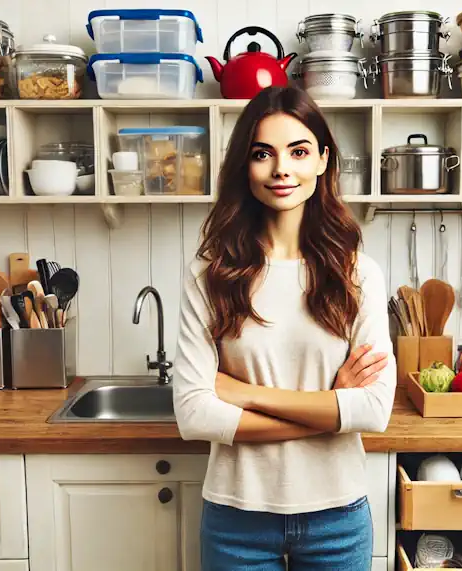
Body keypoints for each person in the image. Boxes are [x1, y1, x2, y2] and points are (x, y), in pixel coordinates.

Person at [172, 85, 397, 571]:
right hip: (237, 519)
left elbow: (374, 410)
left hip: (337, 517)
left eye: (298, 151)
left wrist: (244, 393)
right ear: (243, 166)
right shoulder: (209, 275)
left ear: (322, 160)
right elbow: (194, 415)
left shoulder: (358, 274)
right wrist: (329, 407)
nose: (281, 169)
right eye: (262, 154)